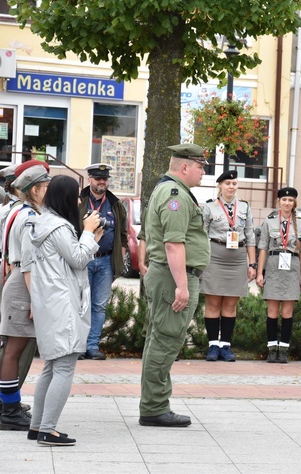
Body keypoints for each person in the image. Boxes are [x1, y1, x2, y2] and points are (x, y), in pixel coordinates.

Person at [28, 175, 104, 445]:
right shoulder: (59, 227)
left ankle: (37, 426)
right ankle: (48, 430)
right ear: (65, 198)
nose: (79, 202)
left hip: (51, 302)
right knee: (64, 366)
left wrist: (89, 237)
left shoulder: (42, 222)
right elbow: (78, 259)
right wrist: (88, 234)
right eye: (75, 197)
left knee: (51, 366)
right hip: (63, 304)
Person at [139, 143, 210, 428]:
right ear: (184, 167)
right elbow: (173, 243)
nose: (203, 171)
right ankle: (154, 407)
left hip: (167, 275)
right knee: (166, 340)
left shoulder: (168, 190)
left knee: (160, 338)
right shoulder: (175, 195)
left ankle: (154, 403)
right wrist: (182, 285)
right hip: (172, 277)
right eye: (200, 166)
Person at [0, 161, 51, 431]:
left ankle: (9, 404)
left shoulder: (15, 211)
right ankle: (9, 409)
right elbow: (29, 261)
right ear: (32, 190)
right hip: (24, 282)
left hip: (16, 278)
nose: (47, 191)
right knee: (14, 350)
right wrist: (35, 299)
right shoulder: (30, 217)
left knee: (12, 347)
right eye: (44, 187)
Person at [200, 169, 257, 362]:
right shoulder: (209, 207)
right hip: (215, 256)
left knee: (231, 304)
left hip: (238, 258)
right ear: (220, 186)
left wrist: (253, 263)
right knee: (213, 302)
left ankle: (225, 345)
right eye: (227, 184)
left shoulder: (245, 207)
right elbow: (202, 235)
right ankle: (212, 346)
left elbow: (250, 235)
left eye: (234, 184)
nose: (231, 187)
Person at [77, 163, 128, 361]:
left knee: (99, 305)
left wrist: (119, 263)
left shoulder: (115, 205)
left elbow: (123, 236)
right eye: (98, 178)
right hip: (83, 259)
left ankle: (92, 346)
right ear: (89, 179)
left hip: (105, 260)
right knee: (82, 303)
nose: (102, 182)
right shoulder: (79, 201)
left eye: (105, 178)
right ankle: (79, 345)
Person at [257, 187, 301, 364]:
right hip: (273, 265)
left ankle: (284, 349)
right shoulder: (269, 222)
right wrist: (260, 272)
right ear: (279, 202)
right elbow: (262, 247)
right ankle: (271, 349)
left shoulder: (300, 223)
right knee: (272, 311)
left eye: (291, 200)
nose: (287, 203)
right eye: (284, 200)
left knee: (287, 312)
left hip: (292, 266)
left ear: (294, 203)